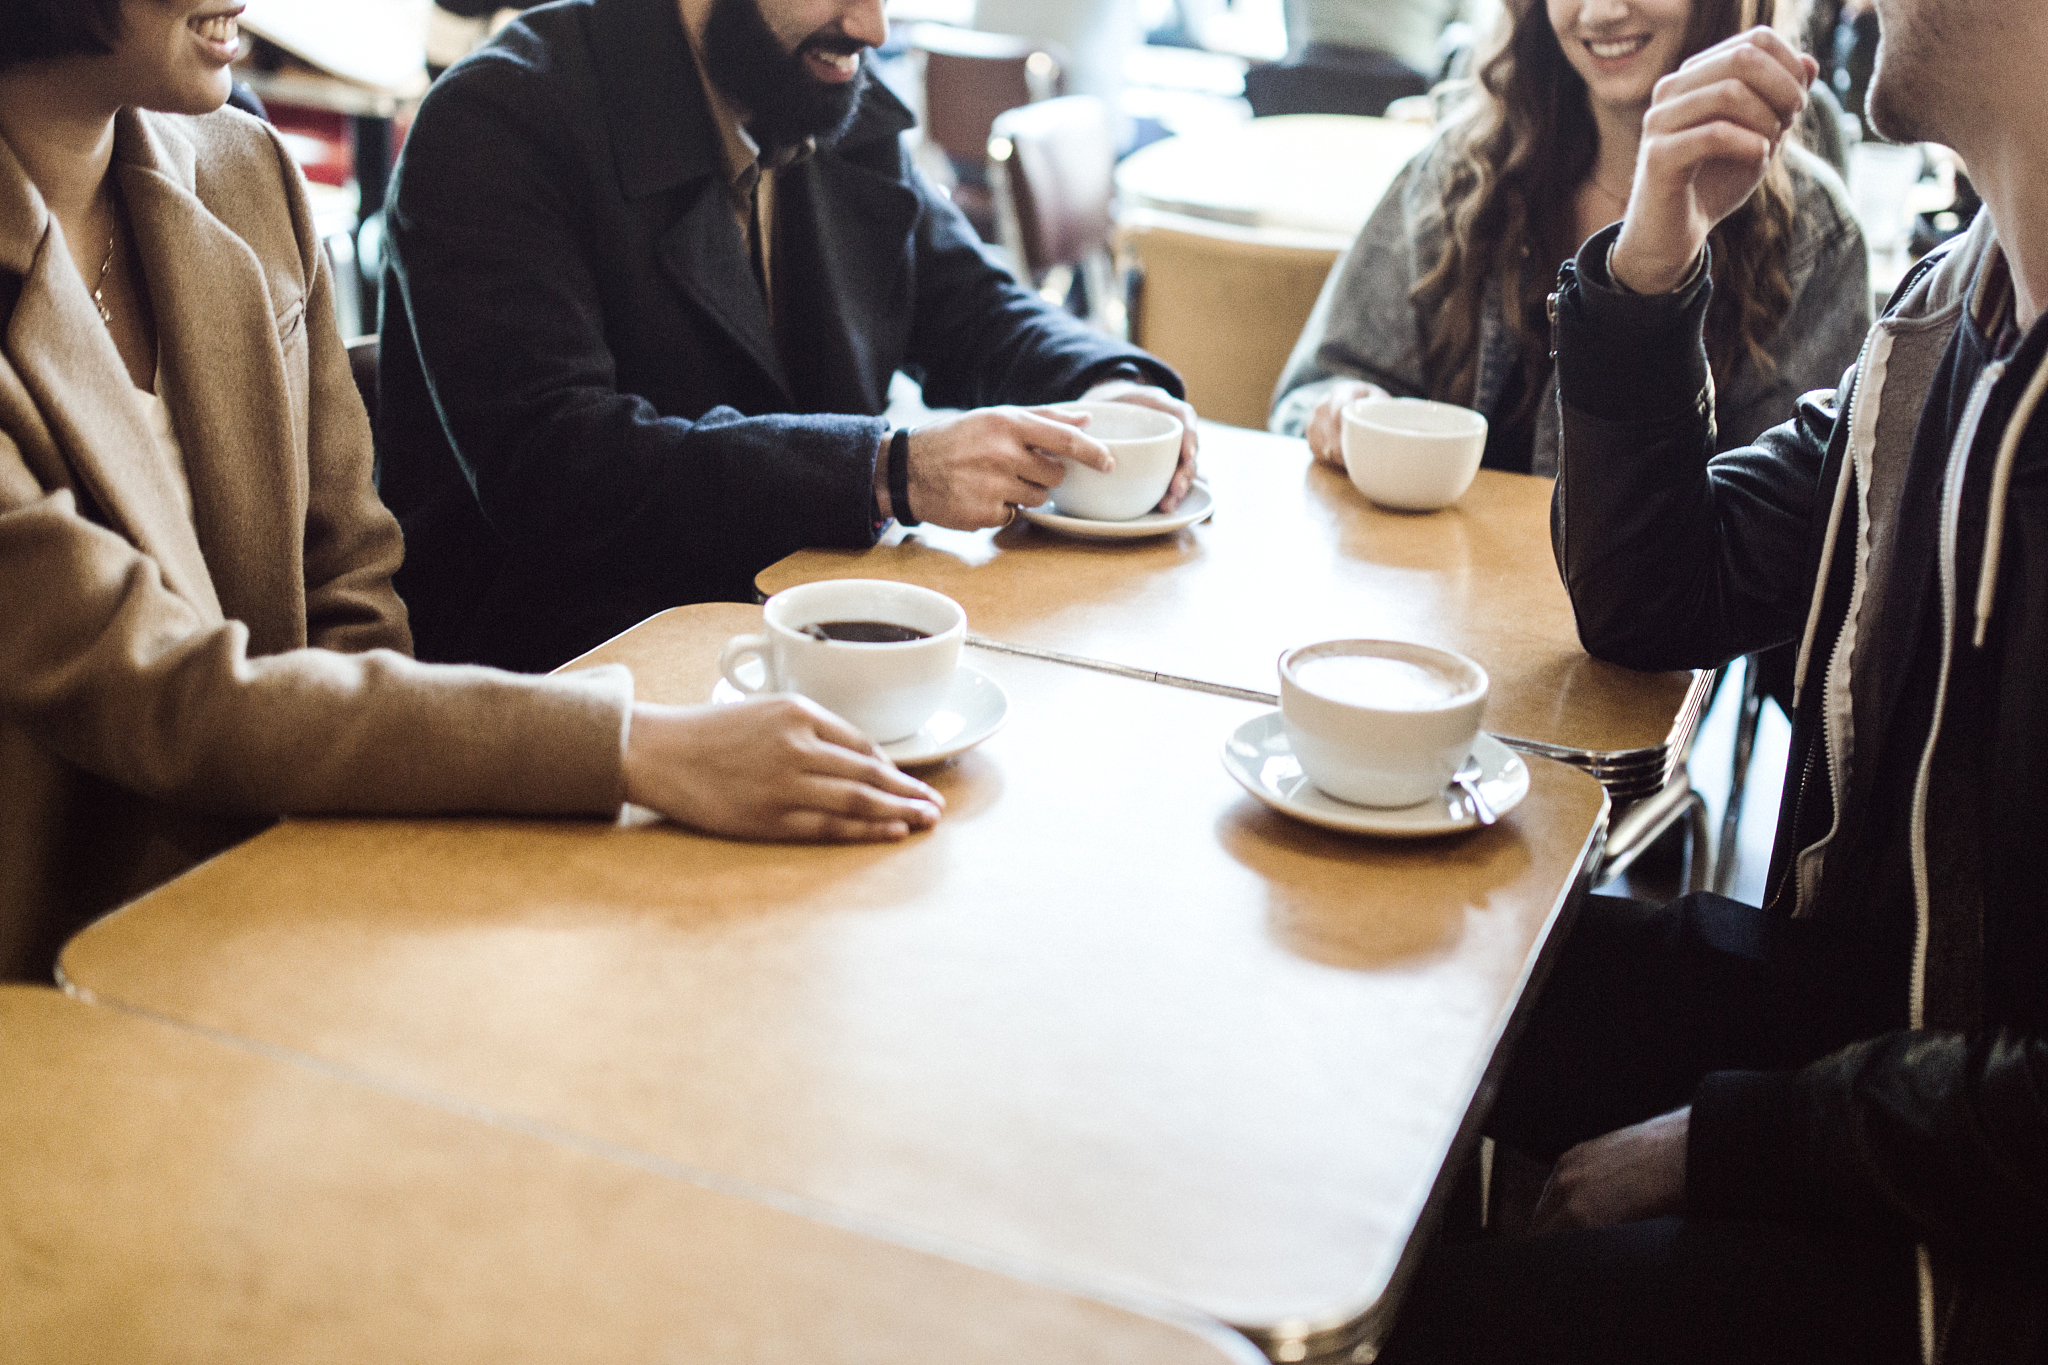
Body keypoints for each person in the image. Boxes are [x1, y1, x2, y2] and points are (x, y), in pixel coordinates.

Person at [0, 0, 947, 983]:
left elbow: (351, 576)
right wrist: (634, 746)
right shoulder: (506, 114)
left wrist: (365, 873)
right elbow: (160, 689)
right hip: (66, 973)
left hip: (293, 888)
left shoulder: (244, 169)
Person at [1379, 3, 2048, 1361]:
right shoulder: (1947, 313)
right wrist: (1650, 258)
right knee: (1401, 963)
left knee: (1433, 1327)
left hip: (1981, 1242)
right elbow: (1653, 598)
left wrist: (1723, 1148)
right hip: (1881, 1024)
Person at [376, 0, 1199, 674]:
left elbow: (970, 305)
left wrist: (1109, 384)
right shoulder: (499, 122)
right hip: (568, 692)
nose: (873, 26)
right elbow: (559, 468)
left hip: (794, 652)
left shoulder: (826, 94)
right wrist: (889, 471)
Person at [1271, 0, 1869, 480]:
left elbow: (1785, 528)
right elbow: (1314, 391)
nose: (1601, 12)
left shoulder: (1811, 231)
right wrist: (1346, 407)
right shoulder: (1461, 172)